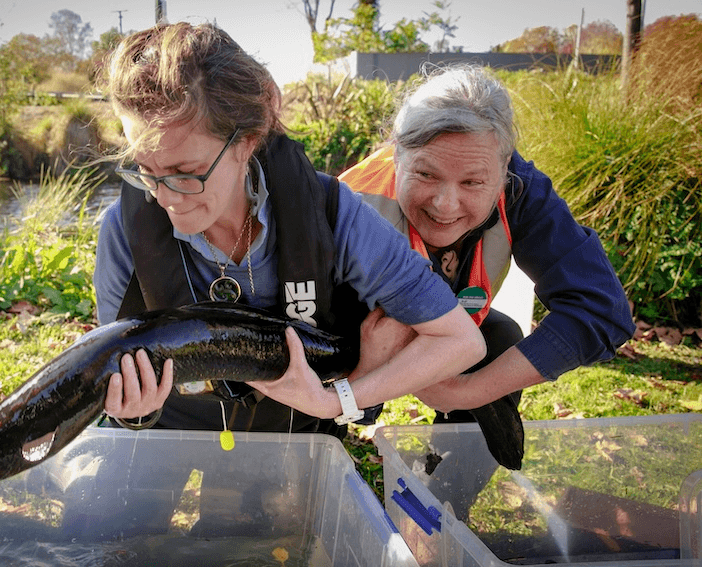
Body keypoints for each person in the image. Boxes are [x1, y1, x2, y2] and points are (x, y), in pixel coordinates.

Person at [92, 22, 487, 436]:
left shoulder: (331, 211)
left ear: (246, 141)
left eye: (186, 172)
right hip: (174, 423)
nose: (165, 195)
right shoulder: (124, 229)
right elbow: (110, 372)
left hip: (297, 421)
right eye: (145, 169)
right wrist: (132, 412)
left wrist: (338, 400)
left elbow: (459, 340)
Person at [340, 64, 636, 517]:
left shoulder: (522, 188)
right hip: (354, 341)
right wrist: (364, 378)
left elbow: (601, 310)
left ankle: (439, 510)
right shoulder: (345, 207)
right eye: (426, 175)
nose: (445, 204)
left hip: (456, 342)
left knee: (499, 339)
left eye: (473, 182)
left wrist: (467, 392)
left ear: (504, 172)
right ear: (395, 153)